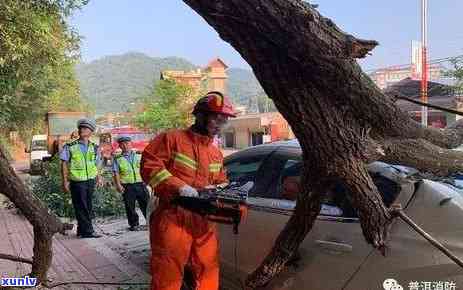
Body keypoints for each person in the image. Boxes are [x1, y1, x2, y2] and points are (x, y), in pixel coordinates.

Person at [141, 91, 236, 290]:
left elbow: (220, 180)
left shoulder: (215, 153)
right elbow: (150, 166)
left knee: (208, 272)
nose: (220, 125)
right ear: (201, 116)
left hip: (203, 221)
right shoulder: (172, 139)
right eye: (216, 119)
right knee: (167, 275)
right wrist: (179, 187)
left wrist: (223, 191)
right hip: (173, 216)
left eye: (224, 121)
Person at [60, 118, 103, 238]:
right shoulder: (70, 146)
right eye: (80, 128)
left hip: (90, 180)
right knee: (81, 206)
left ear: (91, 132)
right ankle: (89, 231)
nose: (81, 130)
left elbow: (97, 164)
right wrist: (64, 181)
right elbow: (63, 164)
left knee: (87, 206)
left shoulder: (94, 147)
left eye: (85, 128)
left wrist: (99, 177)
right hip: (77, 181)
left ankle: (81, 231)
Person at [112, 135, 149, 231]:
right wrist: (118, 185)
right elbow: (116, 173)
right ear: (119, 146)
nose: (125, 146)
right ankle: (134, 224)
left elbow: (146, 168)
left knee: (146, 205)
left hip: (141, 184)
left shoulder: (139, 155)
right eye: (122, 144)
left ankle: (150, 222)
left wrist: (148, 180)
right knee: (130, 207)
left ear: (131, 144)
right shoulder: (117, 159)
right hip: (127, 186)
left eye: (127, 143)